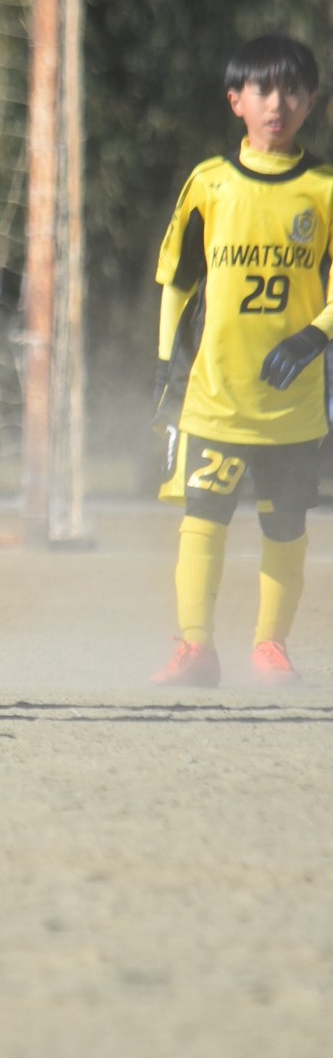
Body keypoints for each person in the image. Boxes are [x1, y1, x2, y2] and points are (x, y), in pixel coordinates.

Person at [152, 34, 333, 688]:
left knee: (285, 526)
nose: (276, 103)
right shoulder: (210, 184)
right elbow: (177, 280)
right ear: (236, 101)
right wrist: (165, 364)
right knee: (203, 519)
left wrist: (314, 336)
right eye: (261, 89)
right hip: (214, 397)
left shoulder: (324, 190)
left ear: (312, 100)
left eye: (291, 89)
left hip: (293, 407)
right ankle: (195, 647)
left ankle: (271, 647)